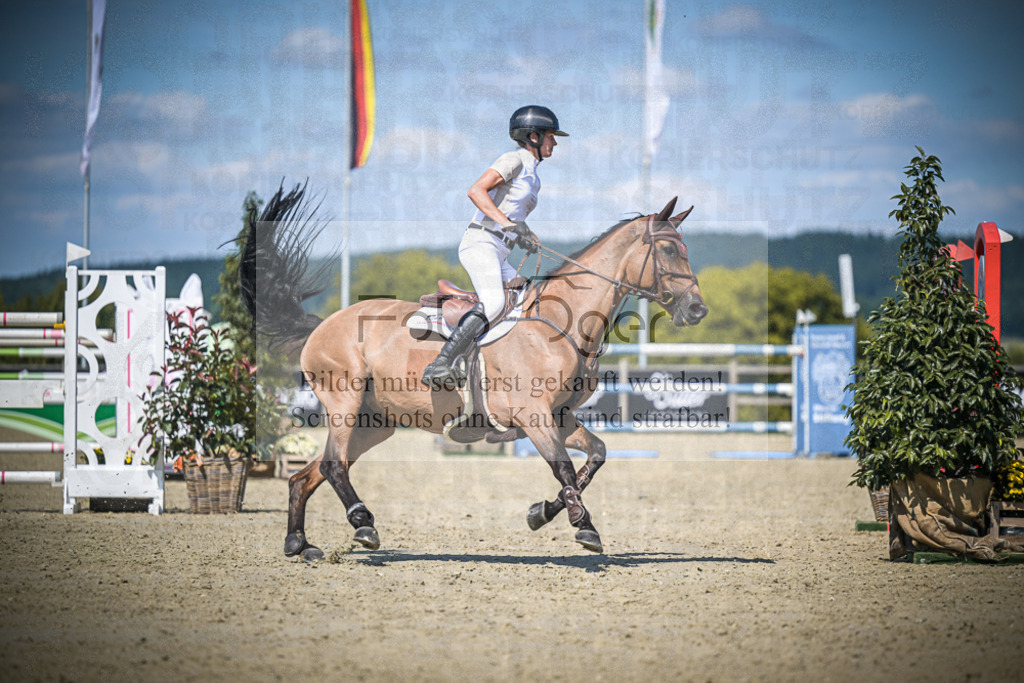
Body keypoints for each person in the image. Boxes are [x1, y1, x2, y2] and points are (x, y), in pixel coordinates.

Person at [421, 105, 568, 388]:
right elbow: (476, 190)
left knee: (527, 301)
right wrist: (509, 225)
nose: (556, 142)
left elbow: (512, 215)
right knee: (495, 303)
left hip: (499, 250)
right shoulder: (514, 159)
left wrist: (526, 234)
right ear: (534, 136)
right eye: (551, 135)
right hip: (480, 243)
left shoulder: (533, 174)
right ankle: (441, 363)